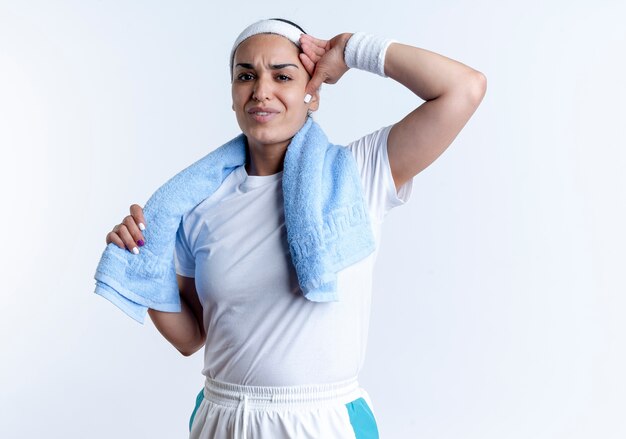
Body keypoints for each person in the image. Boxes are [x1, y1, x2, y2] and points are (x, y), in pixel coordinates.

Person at [103, 18, 486, 439]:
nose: (261, 90)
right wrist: (147, 263)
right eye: (245, 75)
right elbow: (191, 338)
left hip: (321, 422)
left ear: (312, 93)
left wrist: (353, 50)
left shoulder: (357, 174)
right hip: (222, 418)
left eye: (282, 75)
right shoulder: (196, 205)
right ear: (233, 96)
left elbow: (464, 88)